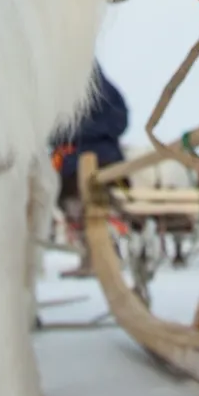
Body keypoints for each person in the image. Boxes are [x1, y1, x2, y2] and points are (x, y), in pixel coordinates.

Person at [51, 62, 128, 278]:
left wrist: (75, 133)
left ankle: (103, 256)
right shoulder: (63, 92)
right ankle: (91, 255)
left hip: (98, 162)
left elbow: (118, 121)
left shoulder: (102, 91)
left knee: (90, 206)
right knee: (76, 207)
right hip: (76, 163)